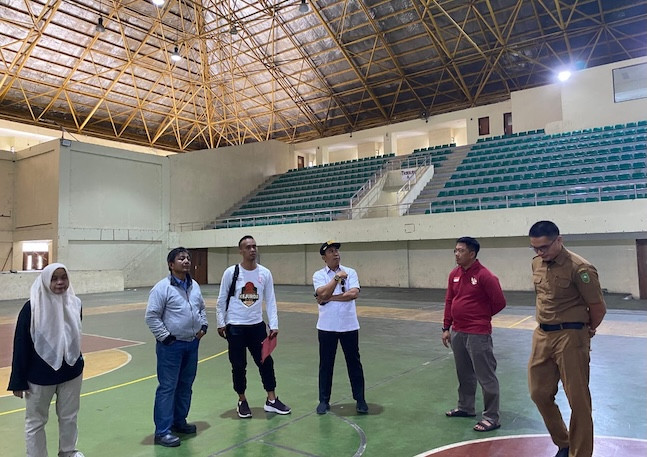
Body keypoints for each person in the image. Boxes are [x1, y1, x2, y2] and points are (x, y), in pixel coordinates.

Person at [528, 221, 606, 457]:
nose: (540, 252)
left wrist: (586, 331)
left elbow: (598, 307)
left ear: (559, 240)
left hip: (570, 336)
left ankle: (580, 453)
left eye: (544, 247)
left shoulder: (580, 268)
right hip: (543, 334)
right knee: (538, 393)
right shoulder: (536, 263)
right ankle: (564, 442)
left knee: (578, 399)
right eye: (535, 248)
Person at [8, 263, 85, 457]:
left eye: (63, 278)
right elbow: (21, 344)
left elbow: (73, 336)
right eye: (54, 278)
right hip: (39, 376)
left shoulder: (75, 304)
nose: (60, 282)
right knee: (35, 421)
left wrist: (77, 360)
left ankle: (68, 451)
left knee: (69, 416)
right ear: (45, 280)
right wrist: (18, 380)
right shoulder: (32, 307)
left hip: (71, 372)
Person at [216, 235, 291, 418]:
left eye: (254, 246)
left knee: (266, 362)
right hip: (235, 327)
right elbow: (221, 299)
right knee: (238, 365)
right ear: (240, 251)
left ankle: (271, 400)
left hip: (257, 327)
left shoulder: (265, 273)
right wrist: (221, 322)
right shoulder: (231, 272)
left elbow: (270, 300)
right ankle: (242, 400)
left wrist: (274, 324)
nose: (252, 250)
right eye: (248, 247)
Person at [441, 237, 506, 432]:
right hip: (458, 331)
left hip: (478, 333)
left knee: (486, 376)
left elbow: (499, 302)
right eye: (455, 250)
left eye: (461, 251)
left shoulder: (485, 276)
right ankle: (465, 407)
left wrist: (480, 316)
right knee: (464, 373)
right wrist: (446, 328)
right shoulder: (454, 274)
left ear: (472, 253)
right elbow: (449, 301)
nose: (456, 254)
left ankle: (491, 416)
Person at [145, 247, 208, 447]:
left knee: (185, 385)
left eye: (188, 258)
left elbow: (201, 308)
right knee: (167, 388)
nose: (186, 261)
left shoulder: (194, 285)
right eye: (181, 258)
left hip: (192, 344)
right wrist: (166, 338)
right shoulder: (162, 288)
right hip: (171, 347)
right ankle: (162, 432)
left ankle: (179, 422)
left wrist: (203, 327)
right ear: (171, 264)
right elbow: (152, 316)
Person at [312, 240, 368, 415]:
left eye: (336, 250)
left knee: (354, 363)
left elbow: (353, 294)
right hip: (327, 327)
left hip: (349, 325)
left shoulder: (350, 272)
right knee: (326, 365)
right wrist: (336, 279)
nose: (335, 253)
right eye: (331, 251)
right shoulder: (319, 275)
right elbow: (322, 292)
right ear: (324, 257)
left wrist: (329, 298)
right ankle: (324, 400)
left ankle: (360, 399)